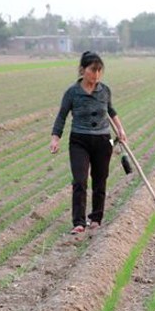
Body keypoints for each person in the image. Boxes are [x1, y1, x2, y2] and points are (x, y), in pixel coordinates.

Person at [49, 51, 128, 235]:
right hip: (79, 140)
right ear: (82, 70)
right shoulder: (72, 93)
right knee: (80, 180)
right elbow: (62, 116)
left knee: (100, 180)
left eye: (100, 70)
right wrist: (55, 137)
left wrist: (121, 130)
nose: (97, 75)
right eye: (93, 70)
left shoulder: (105, 90)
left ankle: (96, 219)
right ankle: (78, 222)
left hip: (103, 140)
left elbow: (111, 110)